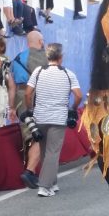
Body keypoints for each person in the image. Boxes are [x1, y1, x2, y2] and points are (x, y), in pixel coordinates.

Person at [25, 43, 82, 197]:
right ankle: (44, 186)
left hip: (40, 116)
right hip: (58, 116)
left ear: (47, 56)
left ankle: (53, 182)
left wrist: (30, 109)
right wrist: (73, 108)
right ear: (61, 58)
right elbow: (78, 95)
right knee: (53, 152)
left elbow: (28, 93)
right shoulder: (68, 74)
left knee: (44, 151)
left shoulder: (38, 71)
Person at [9, 30, 48, 188]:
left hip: (19, 96)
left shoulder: (16, 59)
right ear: (40, 41)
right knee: (39, 134)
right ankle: (29, 171)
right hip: (35, 96)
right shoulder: (42, 56)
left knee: (29, 134)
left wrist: (12, 107)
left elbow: (11, 85)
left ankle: (29, 170)